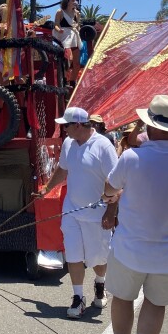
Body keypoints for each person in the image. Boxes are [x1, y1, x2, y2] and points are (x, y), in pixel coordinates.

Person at [102, 95, 168, 334]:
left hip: (131, 248)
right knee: (156, 304)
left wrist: (114, 195)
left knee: (123, 298)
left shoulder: (132, 157)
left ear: (153, 126)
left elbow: (110, 188)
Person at [43, 106, 118, 318]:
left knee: (98, 258)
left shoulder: (103, 146)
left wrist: (110, 212)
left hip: (97, 214)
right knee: (73, 253)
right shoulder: (69, 143)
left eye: (66, 126)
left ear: (78, 125)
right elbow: (63, 169)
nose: (63, 130)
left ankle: (100, 284)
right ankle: (78, 297)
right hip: (71, 210)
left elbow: (116, 182)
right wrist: (46, 188)